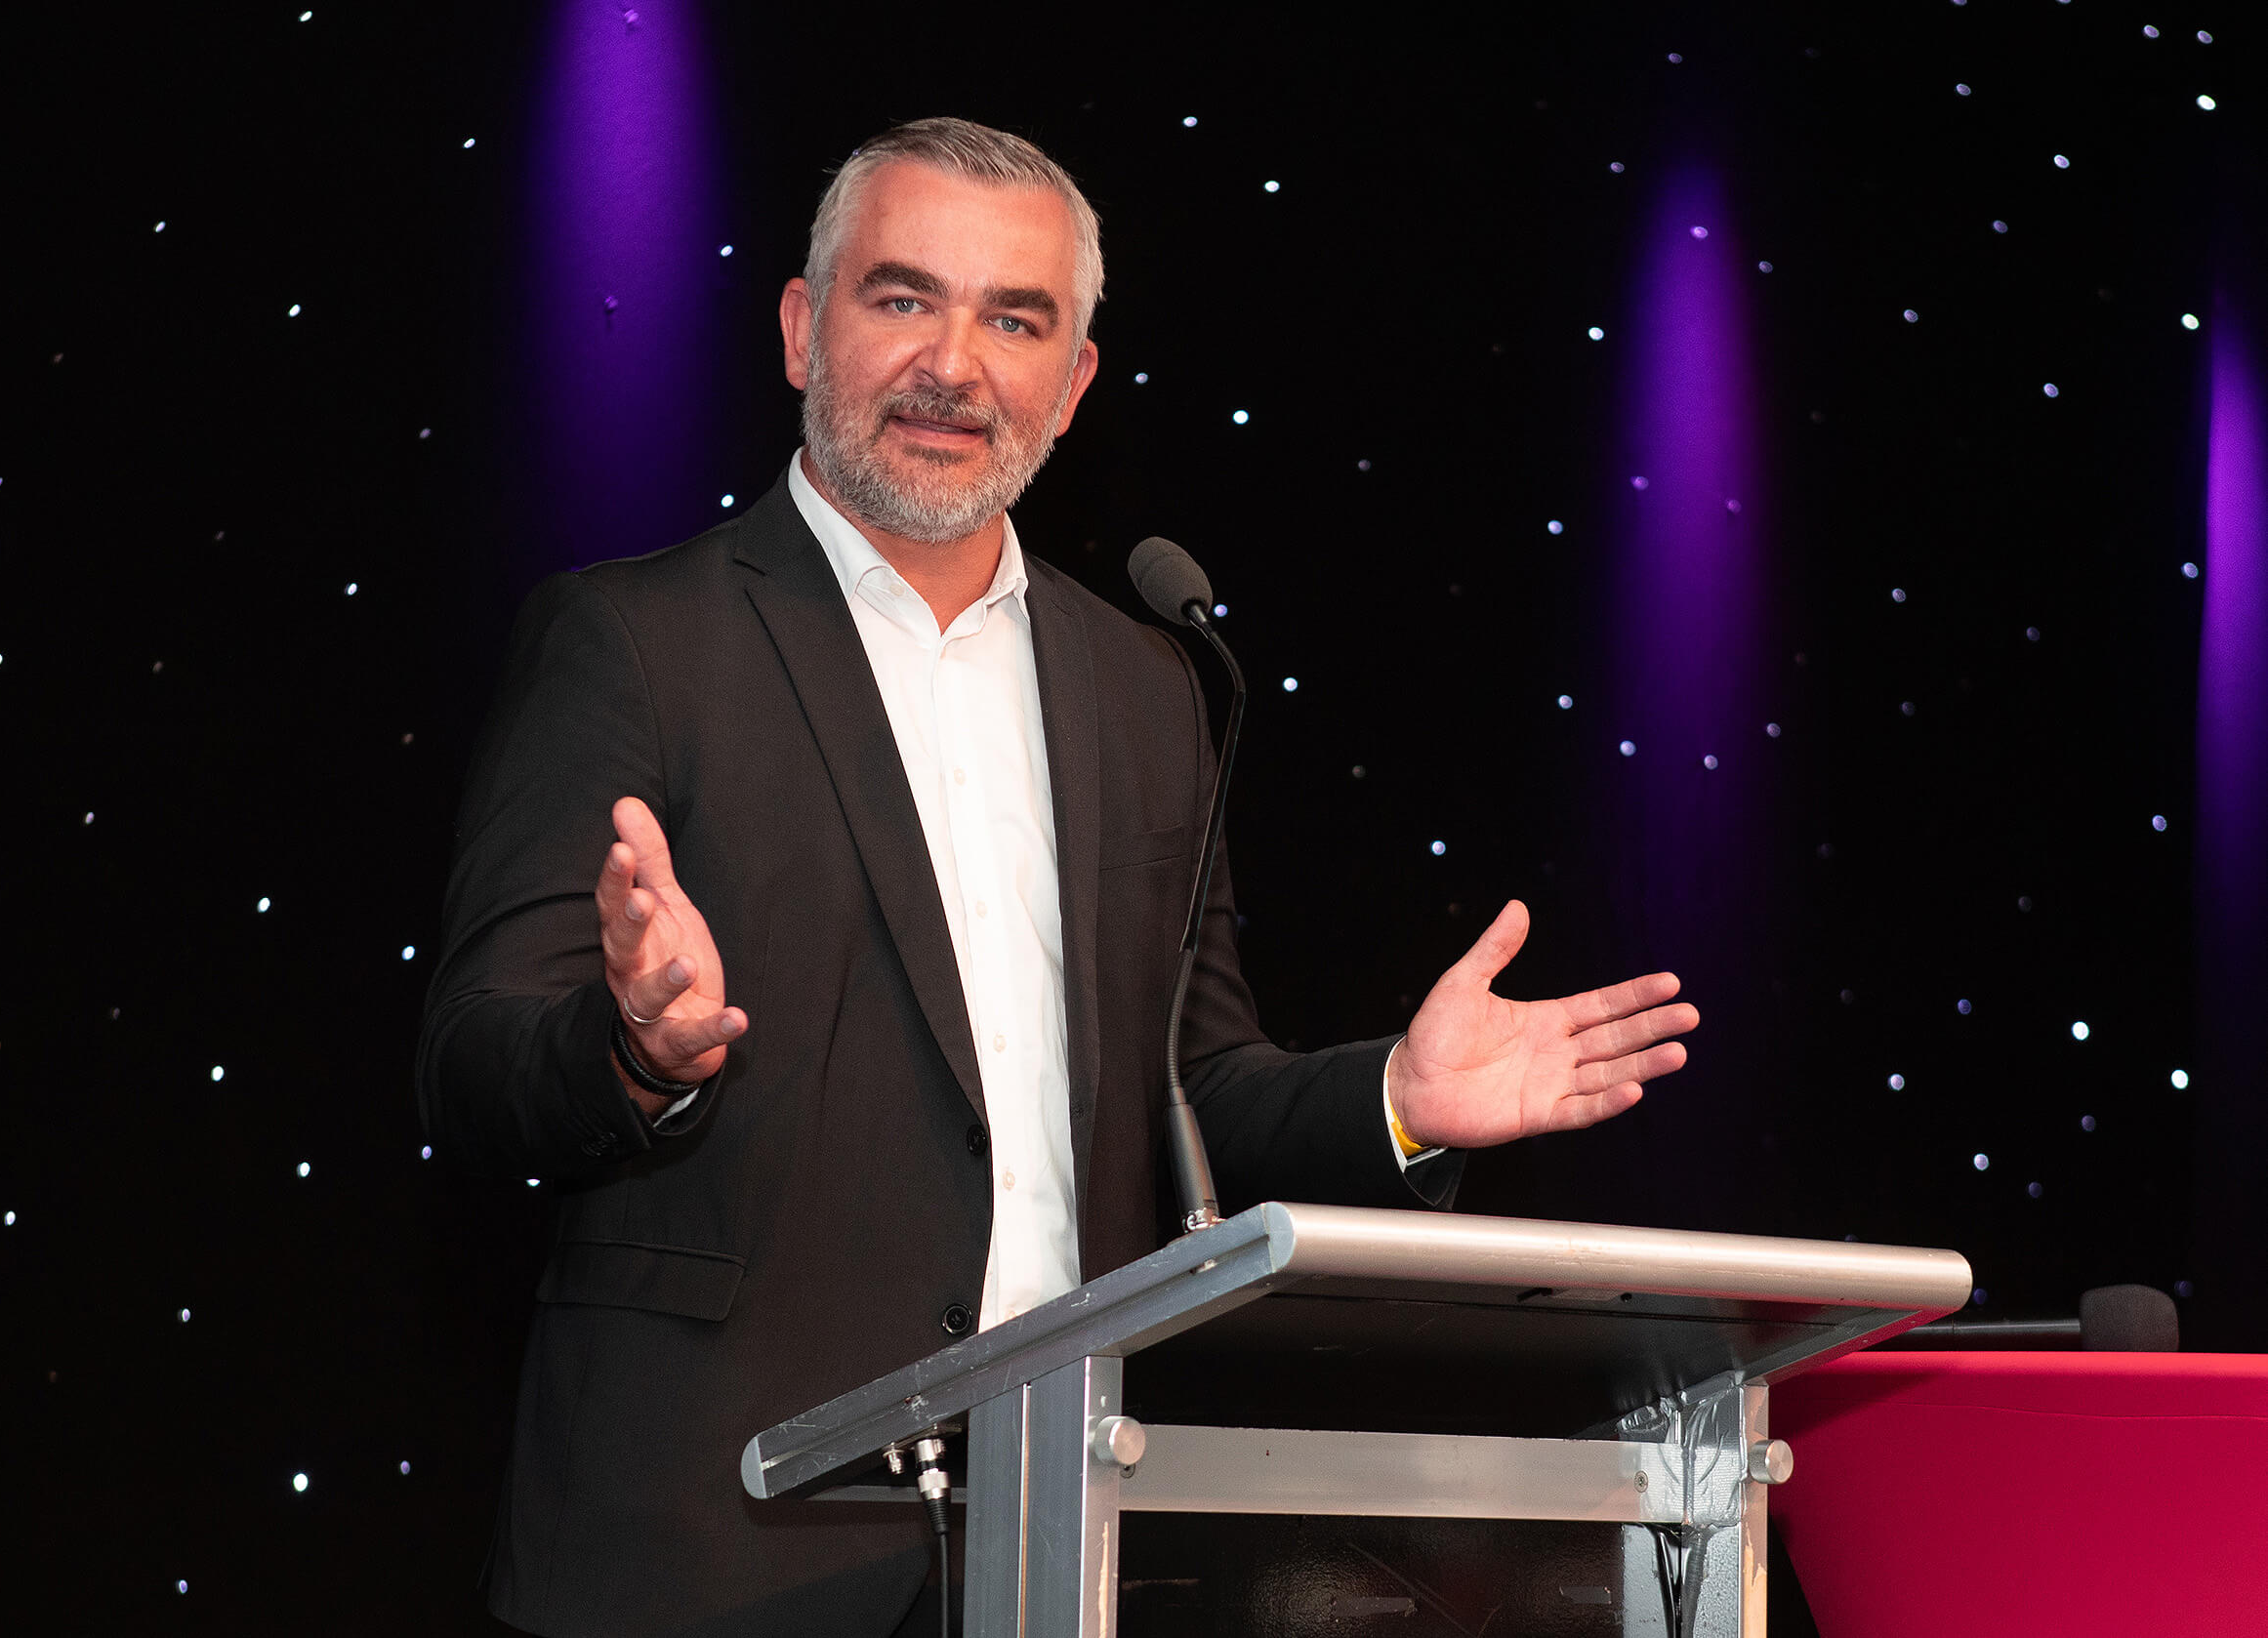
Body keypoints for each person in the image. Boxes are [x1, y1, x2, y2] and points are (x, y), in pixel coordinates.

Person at [418, 117, 1698, 1638]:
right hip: (713, 1544)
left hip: (1062, 1532)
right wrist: (632, 1045)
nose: (954, 363)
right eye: (902, 298)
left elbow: (1192, 1087)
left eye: (1014, 318)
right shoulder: (632, 639)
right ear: (797, 327)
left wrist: (1398, 1102)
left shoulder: (1146, 683)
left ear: (1074, 380)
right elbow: (473, 1063)